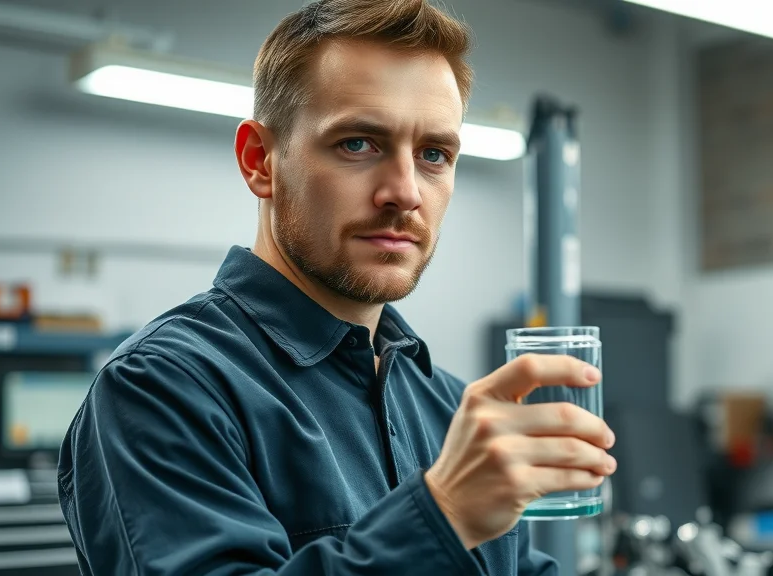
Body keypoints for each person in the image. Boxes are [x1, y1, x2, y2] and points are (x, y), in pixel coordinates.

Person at [57, 1, 617, 574]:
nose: (405, 191)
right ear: (260, 162)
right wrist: (444, 515)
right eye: (358, 143)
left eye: (433, 154)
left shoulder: (449, 406)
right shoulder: (161, 391)